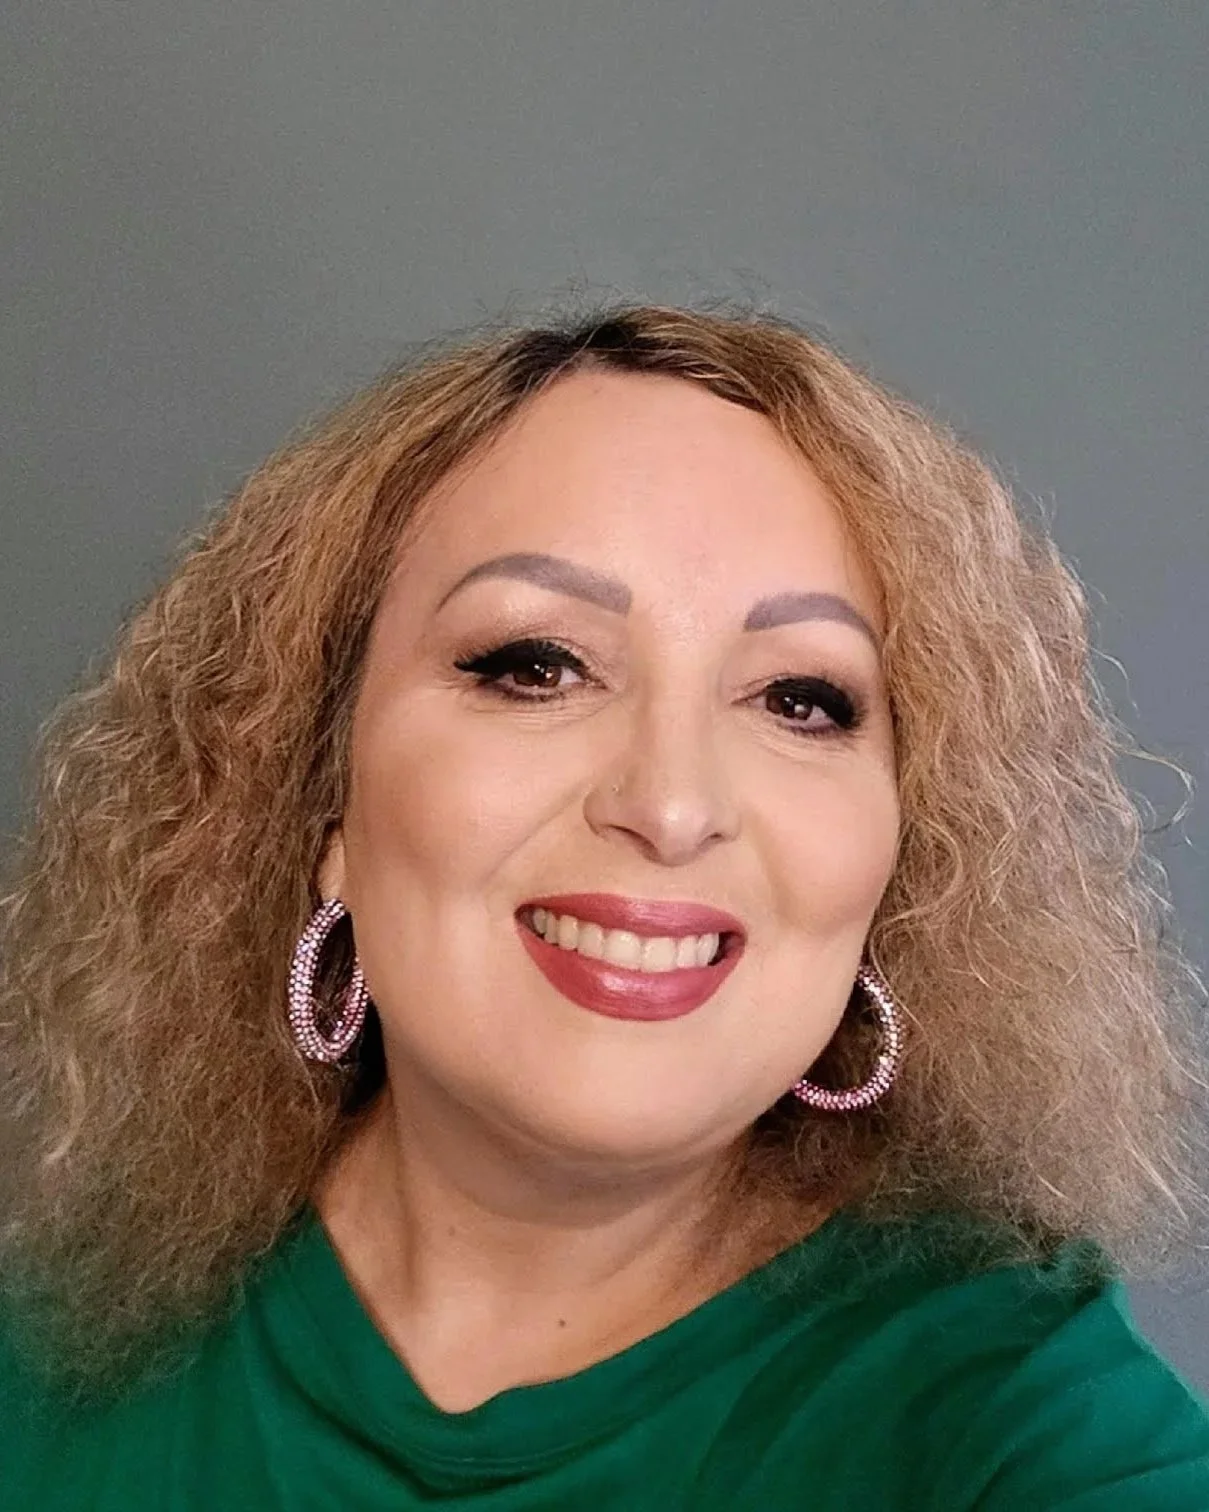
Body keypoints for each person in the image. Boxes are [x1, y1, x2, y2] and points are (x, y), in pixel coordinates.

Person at [1, 304, 1207, 1509]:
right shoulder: (48, 1340)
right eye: (536, 666)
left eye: (800, 699)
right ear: (322, 808)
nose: (671, 804)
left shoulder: (1022, 1425)